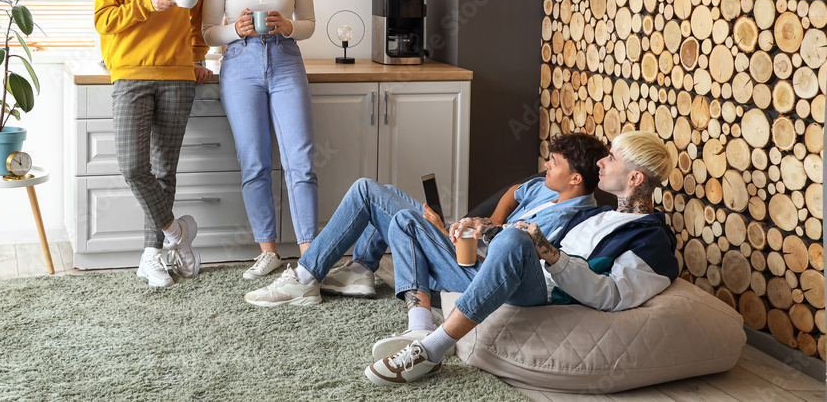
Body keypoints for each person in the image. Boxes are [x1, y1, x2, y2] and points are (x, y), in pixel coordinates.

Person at [364, 130, 677, 386]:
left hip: (543, 292)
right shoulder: (598, 215)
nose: (602, 163)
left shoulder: (651, 240)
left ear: (635, 178)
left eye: (611, 158)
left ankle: (431, 350)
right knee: (408, 219)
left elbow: (611, 295)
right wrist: (483, 226)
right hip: (511, 275)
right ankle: (417, 326)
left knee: (515, 237)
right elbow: (518, 207)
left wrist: (549, 253)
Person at [243, 132, 608, 309]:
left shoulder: (573, 219)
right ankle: (360, 269)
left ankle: (306, 278)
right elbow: (516, 190)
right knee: (382, 190)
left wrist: (438, 231)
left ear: (576, 178)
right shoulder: (547, 188)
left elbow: (512, 262)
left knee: (368, 192)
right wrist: (486, 219)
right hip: (466, 247)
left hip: (475, 272)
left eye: (555, 163)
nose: (547, 165)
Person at [94, 0, 212, 289]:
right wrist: (146, 4)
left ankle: (152, 256)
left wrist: (196, 59)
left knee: (164, 171)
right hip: (131, 75)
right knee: (133, 167)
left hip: (178, 77)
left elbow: (199, 27)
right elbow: (104, 20)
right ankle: (177, 232)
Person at [201, 0, 318, 280]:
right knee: (255, 162)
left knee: (300, 161)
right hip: (240, 65)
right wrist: (234, 30)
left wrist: (288, 26)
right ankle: (267, 251)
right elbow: (207, 32)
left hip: (285, 60)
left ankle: (309, 255)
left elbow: (310, 23)